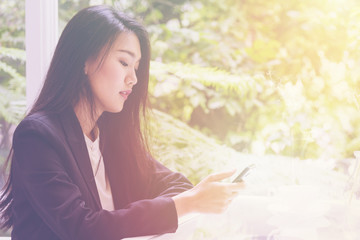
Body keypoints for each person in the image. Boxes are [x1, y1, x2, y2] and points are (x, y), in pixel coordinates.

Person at [0, 5, 243, 240]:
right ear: (85, 61)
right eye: (124, 63)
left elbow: (177, 184)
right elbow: (83, 229)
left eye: (136, 67)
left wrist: (182, 201)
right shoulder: (37, 137)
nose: (133, 79)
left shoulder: (111, 135)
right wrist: (189, 203)